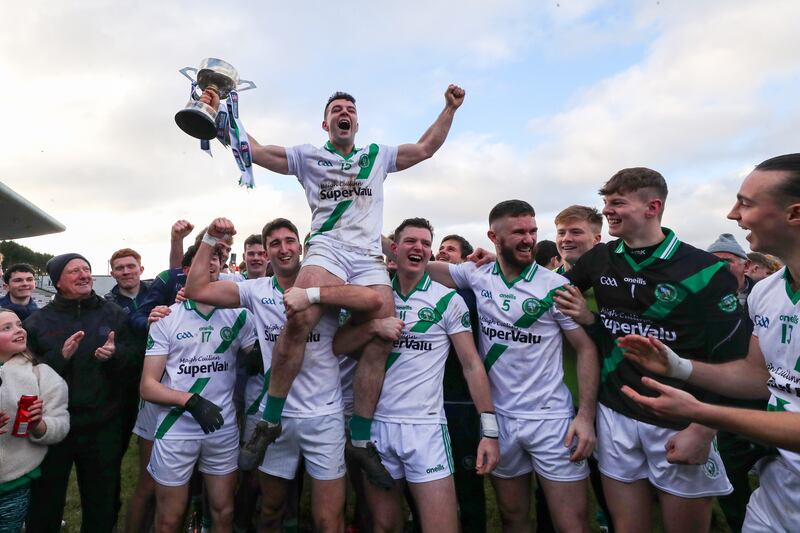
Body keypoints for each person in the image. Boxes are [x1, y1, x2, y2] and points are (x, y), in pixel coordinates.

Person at [199, 86, 467, 483]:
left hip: (368, 258)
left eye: (350, 110)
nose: (345, 114)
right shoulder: (309, 156)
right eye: (336, 110)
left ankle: (359, 440)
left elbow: (425, 147)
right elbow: (256, 151)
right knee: (299, 314)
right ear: (326, 124)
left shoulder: (377, 156)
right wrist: (223, 117)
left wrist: (449, 108)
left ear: (356, 123)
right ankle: (269, 421)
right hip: (327, 248)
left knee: (386, 332)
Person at [552, 168, 747, 533]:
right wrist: (493, 265)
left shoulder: (704, 270)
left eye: (617, 203)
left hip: (679, 417)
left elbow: (734, 362)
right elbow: (548, 293)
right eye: (606, 203)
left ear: (652, 207)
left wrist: (703, 429)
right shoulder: (600, 258)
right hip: (616, 412)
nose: (607, 211)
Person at [618, 153, 800, 532]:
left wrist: (703, 416)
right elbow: (756, 374)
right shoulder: (766, 292)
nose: (733, 214)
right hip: (776, 492)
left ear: (794, 214)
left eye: (746, 203)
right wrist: (678, 367)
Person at [184, 217, 386, 532]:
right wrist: (210, 237)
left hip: (325, 415)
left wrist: (313, 295)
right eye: (274, 243)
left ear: (301, 247)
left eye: (289, 240)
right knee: (271, 509)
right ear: (265, 252)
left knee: (327, 519)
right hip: (275, 419)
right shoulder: (255, 290)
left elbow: (373, 299)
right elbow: (196, 288)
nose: (284, 248)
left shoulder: (328, 286)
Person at [426, 200, 600, 533]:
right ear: (494, 236)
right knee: (513, 518)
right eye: (518, 232)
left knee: (571, 524)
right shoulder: (478, 274)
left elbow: (586, 349)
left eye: (532, 231)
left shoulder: (554, 286)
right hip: (500, 420)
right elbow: (426, 268)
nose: (528, 238)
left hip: (551, 421)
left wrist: (585, 417)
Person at [333, 218, 500, 533]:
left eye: (425, 243)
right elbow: (339, 344)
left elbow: (471, 364)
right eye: (411, 241)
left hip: (426, 430)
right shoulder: (373, 298)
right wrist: (372, 327)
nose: (418, 247)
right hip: (375, 428)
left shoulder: (446, 299)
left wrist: (489, 430)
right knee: (386, 526)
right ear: (394, 250)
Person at [140, 243, 257, 533]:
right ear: (187, 271)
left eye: (216, 259)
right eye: (203, 260)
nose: (211, 264)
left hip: (222, 426)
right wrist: (190, 401)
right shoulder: (167, 317)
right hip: (176, 428)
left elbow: (258, 360)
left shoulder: (240, 315)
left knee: (223, 512)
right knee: (169, 518)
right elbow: (148, 386)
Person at [23, 253, 138, 532]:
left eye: (86, 269)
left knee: (102, 501)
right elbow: (26, 374)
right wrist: (60, 357)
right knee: (45, 501)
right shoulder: (38, 322)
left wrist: (115, 354)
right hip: (54, 428)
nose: (84, 275)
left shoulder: (114, 314)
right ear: (58, 282)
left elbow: (135, 361)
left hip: (102, 424)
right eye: (75, 271)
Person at [432, 233, 489, 533]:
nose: (442, 253)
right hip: (429, 403)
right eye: (440, 249)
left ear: (466, 260)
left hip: (463, 402)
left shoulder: (471, 296)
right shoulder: (423, 294)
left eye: (450, 250)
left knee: (467, 483)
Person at [0, 308, 69, 532]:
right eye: (6, 328)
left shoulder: (41, 374)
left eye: (19, 325)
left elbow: (60, 422)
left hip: (13, 484)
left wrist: (39, 425)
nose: (19, 330)